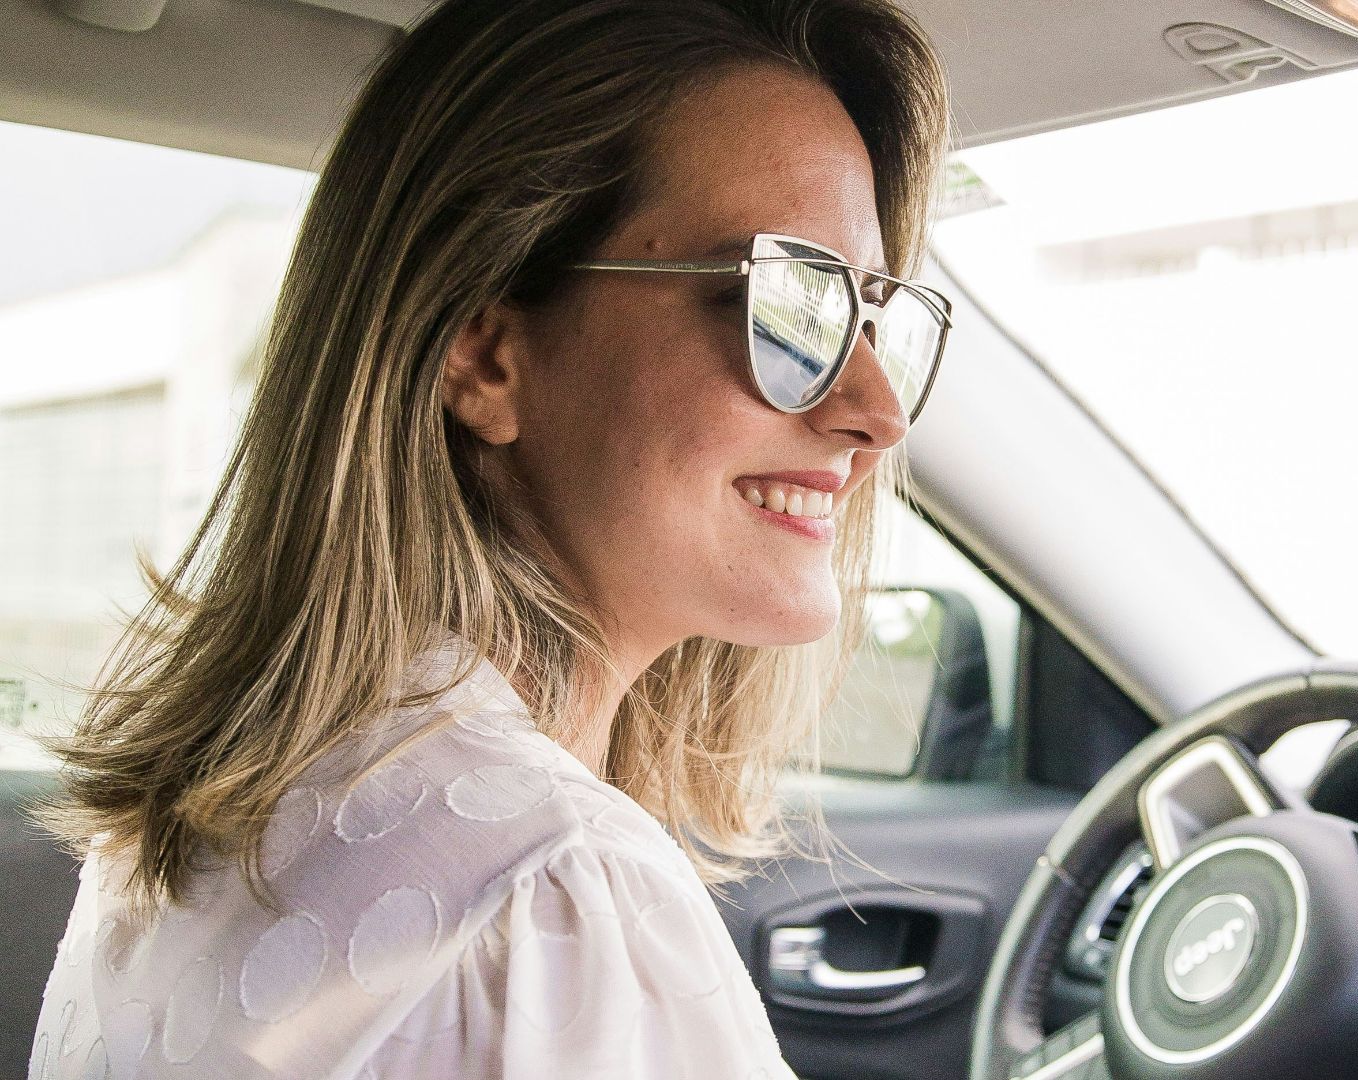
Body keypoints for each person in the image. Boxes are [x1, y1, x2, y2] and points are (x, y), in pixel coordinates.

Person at [28, 0, 953, 1075]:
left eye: (870, 315)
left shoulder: (199, 832)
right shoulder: (553, 892)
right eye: (790, 307)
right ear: (484, 353)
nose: (878, 411)